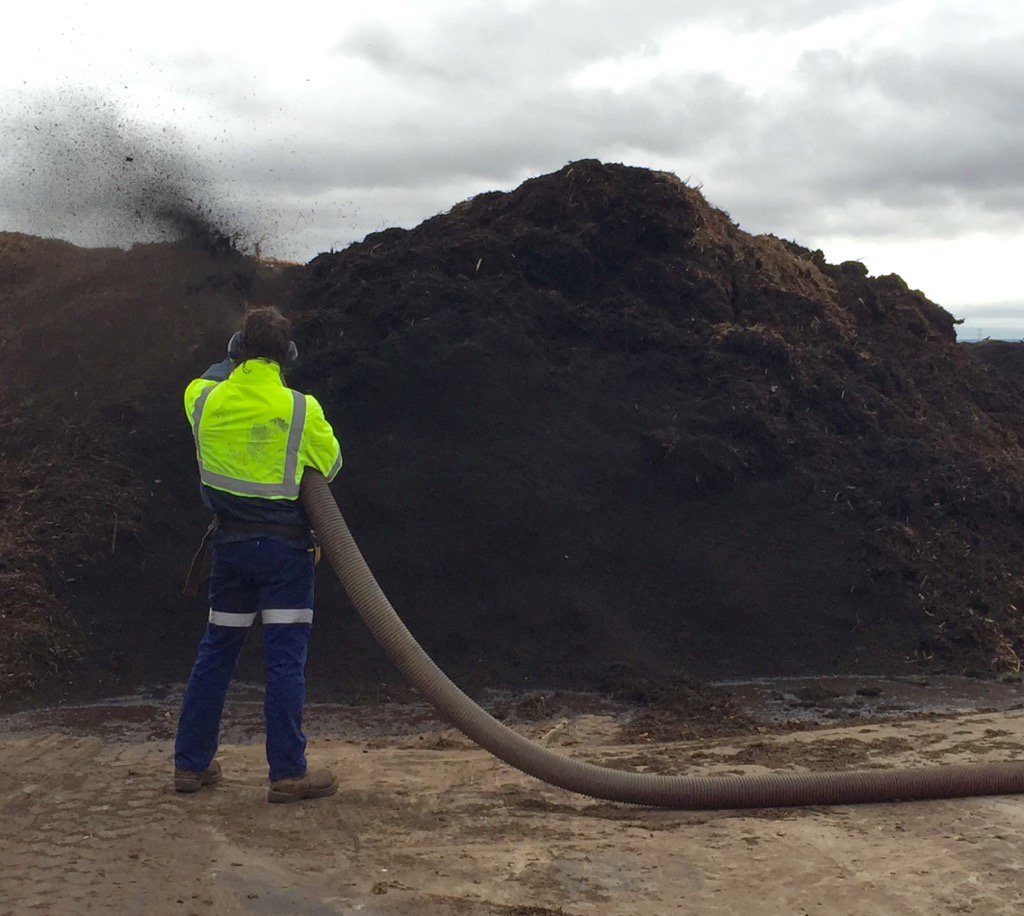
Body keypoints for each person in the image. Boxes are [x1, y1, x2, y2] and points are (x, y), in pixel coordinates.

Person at [173, 305, 343, 803]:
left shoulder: (204, 400)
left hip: (230, 548)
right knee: (285, 659)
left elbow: (206, 380)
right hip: (287, 553)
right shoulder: (301, 409)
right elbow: (330, 465)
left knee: (217, 652)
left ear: (238, 348)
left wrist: (230, 360)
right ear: (286, 355)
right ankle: (287, 773)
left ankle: (190, 766)